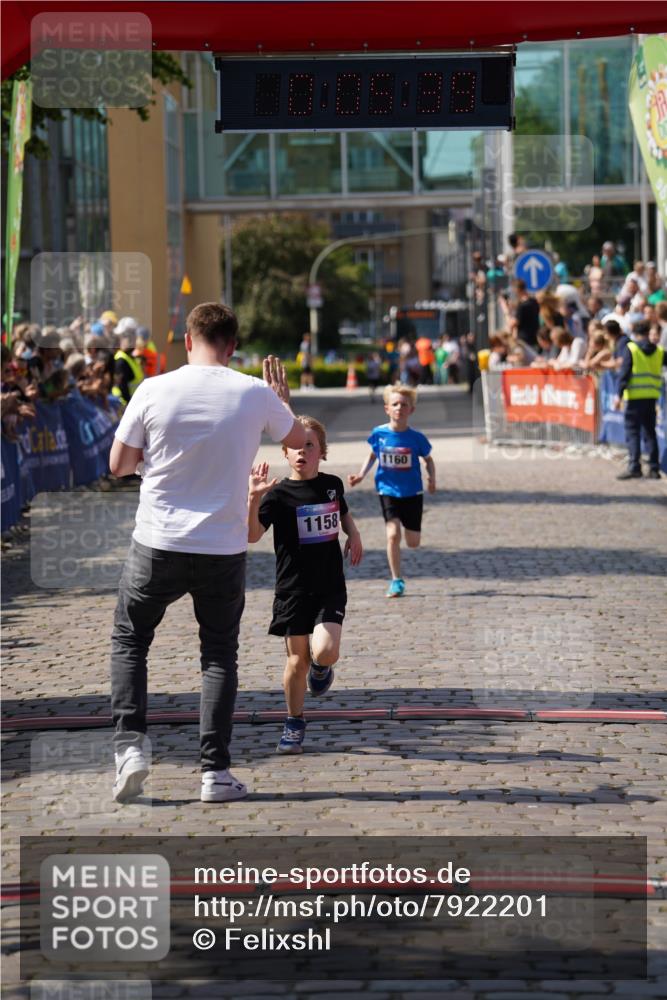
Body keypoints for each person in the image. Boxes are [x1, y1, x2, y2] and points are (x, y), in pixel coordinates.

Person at [108, 302, 306, 804]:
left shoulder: (152, 388)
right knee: (218, 654)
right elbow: (299, 439)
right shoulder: (254, 392)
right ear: (232, 346)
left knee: (131, 640)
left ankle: (130, 750)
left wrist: (153, 460)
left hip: (157, 541)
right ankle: (215, 773)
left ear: (187, 339)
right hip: (222, 546)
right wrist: (280, 404)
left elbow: (118, 465)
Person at [247, 416, 362, 754]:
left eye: (309, 446)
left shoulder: (332, 485)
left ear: (321, 452)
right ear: (285, 453)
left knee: (325, 651)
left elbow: (342, 511)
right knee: (297, 661)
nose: (302, 452)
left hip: (329, 585)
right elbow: (252, 535)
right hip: (292, 589)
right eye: (295, 446)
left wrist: (353, 533)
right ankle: (294, 722)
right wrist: (253, 499)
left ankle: (322, 668)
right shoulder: (277, 494)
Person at [347, 384, 435, 598]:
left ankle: (411, 524)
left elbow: (428, 460)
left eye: (404, 405)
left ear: (411, 409)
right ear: (387, 408)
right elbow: (372, 455)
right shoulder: (379, 433)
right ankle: (396, 580)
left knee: (413, 543)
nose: (399, 408)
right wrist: (361, 475)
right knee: (393, 535)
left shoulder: (417, 437)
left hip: (413, 493)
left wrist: (432, 478)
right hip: (387, 491)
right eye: (395, 404)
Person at [613, 321, 666, 480]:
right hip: (651, 398)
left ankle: (634, 467)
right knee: (650, 433)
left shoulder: (631, 349)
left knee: (633, 432)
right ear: (648, 332)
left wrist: (618, 395)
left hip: (634, 398)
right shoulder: (659, 351)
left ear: (634, 333)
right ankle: (654, 469)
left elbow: (624, 373)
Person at [510, 279, 540, 348]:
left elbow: (513, 323)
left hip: (524, 340)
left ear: (517, 289)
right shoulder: (534, 302)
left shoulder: (522, 306)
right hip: (535, 337)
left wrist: (506, 311)